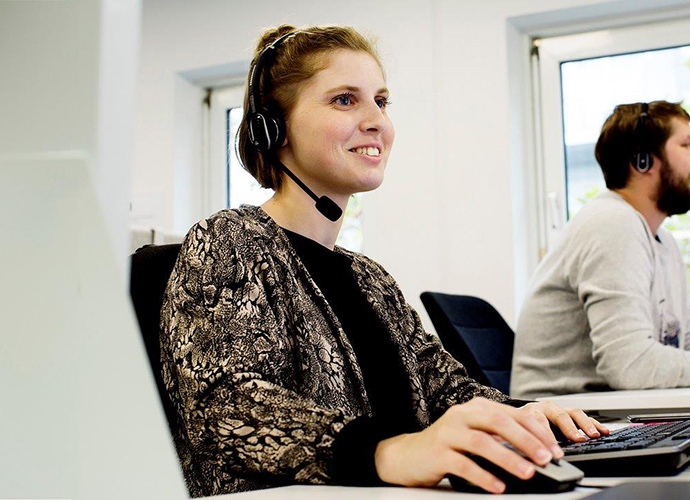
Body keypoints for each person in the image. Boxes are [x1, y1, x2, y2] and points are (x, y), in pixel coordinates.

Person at [160, 24, 607, 498]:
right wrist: (388, 453)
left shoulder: (370, 277)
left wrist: (521, 416)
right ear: (273, 128)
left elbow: (443, 386)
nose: (377, 121)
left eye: (381, 101)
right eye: (345, 100)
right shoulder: (230, 241)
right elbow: (225, 407)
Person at [510, 101, 690, 399]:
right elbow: (631, 366)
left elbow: (687, 347)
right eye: (685, 145)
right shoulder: (612, 224)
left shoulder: (662, 241)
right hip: (560, 417)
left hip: (610, 408)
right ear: (643, 161)